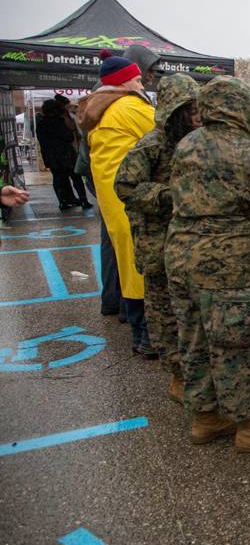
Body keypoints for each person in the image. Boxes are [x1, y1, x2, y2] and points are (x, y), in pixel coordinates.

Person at [165, 76, 250, 454]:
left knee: (194, 339)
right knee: (234, 345)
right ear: (239, 108)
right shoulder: (247, 153)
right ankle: (248, 427)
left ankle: (205, 417)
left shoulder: (188, 144)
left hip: (180, 257)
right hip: (225, 263)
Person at [115, 74, 200, 404]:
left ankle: (194, 370)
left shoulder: (195, 141)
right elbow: (125, 187)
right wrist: (167, 196)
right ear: (174, 111)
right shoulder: (151, 146)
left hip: (188, 242)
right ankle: (177, 375)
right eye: (190, 111)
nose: (197, 117)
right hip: (158, 243)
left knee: (190, 312)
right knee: (165, 314)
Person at [77, 50, 156, 358]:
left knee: (126, 261)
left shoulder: (100, 109)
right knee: (142, 265)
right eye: (137, 80)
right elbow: (166, 134)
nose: (141, 85)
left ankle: (139, 332)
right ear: (123, 83)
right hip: (132, 199)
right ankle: (148, 335)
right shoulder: (129, 106)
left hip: (111, 198)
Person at [35, 98, 91, 210]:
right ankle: (83, 200)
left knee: (58, 179)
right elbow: (68, 136)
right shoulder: (59, 121)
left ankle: (63, 201)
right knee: (76, 178)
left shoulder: (41, 123)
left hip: (51, 156)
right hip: (65, 154)